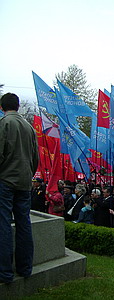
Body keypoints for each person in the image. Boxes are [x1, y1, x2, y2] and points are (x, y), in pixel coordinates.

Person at [0, 93, 39, 283]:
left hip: (5, 181)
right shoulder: (29, 127)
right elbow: (35, 158)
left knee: (3, 223)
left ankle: (5, 272)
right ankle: (25, 268)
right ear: (17, 106)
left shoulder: (4, 123)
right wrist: (28, 175)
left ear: (2, 107)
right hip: (24, 182)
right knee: (24, 223)